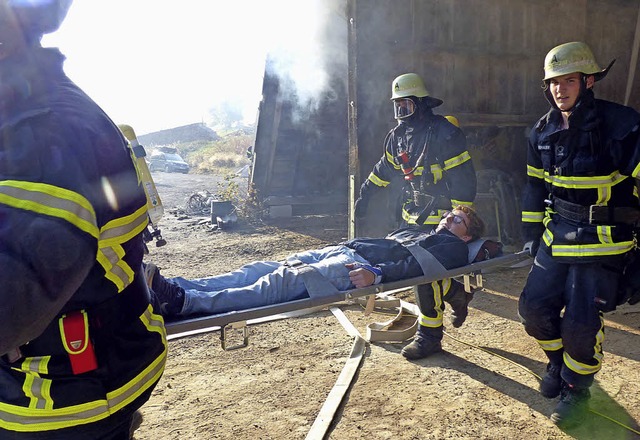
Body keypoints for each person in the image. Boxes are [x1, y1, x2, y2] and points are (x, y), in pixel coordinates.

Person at [0, 2, 167, 439]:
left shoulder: (38, 135)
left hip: (64, 395)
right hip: (80, 374)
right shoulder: (26, 112)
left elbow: (11, 301)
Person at [148, 206, 485, 359]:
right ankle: (176, 287)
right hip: (341, 250)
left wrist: (378, 275)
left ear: (467, 234)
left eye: (457, 220)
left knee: (274, 286)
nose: (447, 219)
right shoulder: (426, 231)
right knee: (256, 269)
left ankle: (181, 302)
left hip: (357, 265)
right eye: (447, 215)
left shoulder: (452, 246)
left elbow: (415, 266)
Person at [519, 41, 640, 428]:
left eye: (568, 80)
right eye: (553, 83)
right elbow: (535, 187)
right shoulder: (541, 131)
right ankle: (558, 362)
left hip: (606, 239)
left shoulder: (623, 125)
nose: (560, 90)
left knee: (581, 324)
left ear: (588, 81)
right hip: (558, 236)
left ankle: (576, 390)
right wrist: (530, 232)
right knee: (532, 309)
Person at [353, 72, 478, 342]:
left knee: (424, 272)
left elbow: (463, 178)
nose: (401, 112)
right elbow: (382, 172)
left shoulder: (445, 134)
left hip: (441, 217)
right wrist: (365, 196)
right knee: (416, 268)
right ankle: (456, 293)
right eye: (398, 106)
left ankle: (429, 336)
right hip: (411, 215)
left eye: (406, 105)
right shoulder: (397, 138)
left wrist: (459, 219)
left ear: (421, 105)